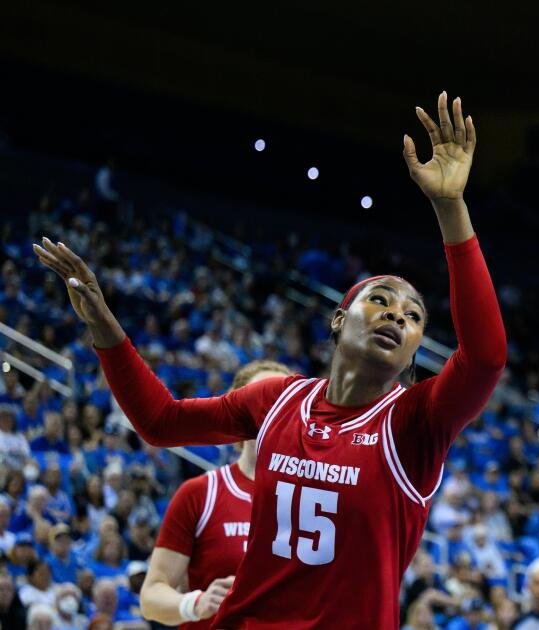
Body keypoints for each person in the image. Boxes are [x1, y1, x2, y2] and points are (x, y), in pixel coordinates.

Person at [33, 91, 505, 628]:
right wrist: (104, 328)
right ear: (338, 319)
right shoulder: (278, 399)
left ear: (418, 347)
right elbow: (160, 422)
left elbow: (486, 358)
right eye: (380, 299)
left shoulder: (416, 422)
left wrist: (450, 207)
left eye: (414, 315)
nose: (397, 315)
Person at [139, 360, 289, 628]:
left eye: (281, 401)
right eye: (261, 398)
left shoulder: (317, 499)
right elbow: (151, 597)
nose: (270, 410)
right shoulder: (200, 493)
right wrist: (195, 604)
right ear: (238, 411)